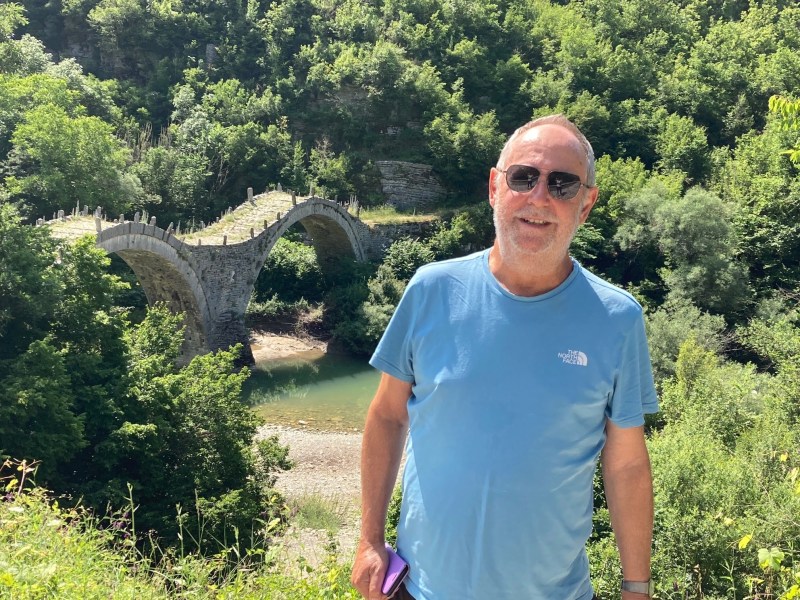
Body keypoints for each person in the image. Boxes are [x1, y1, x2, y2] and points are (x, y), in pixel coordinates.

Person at [351, 115, 659, 600]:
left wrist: (636, 587)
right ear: (495, 187)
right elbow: (388, 415)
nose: (539, 197)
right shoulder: (431, 289)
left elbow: (626, 464)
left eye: (562, 184)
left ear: (585, 204)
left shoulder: (617, 319)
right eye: (523, 177)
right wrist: (370, 540)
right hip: (423, 590)